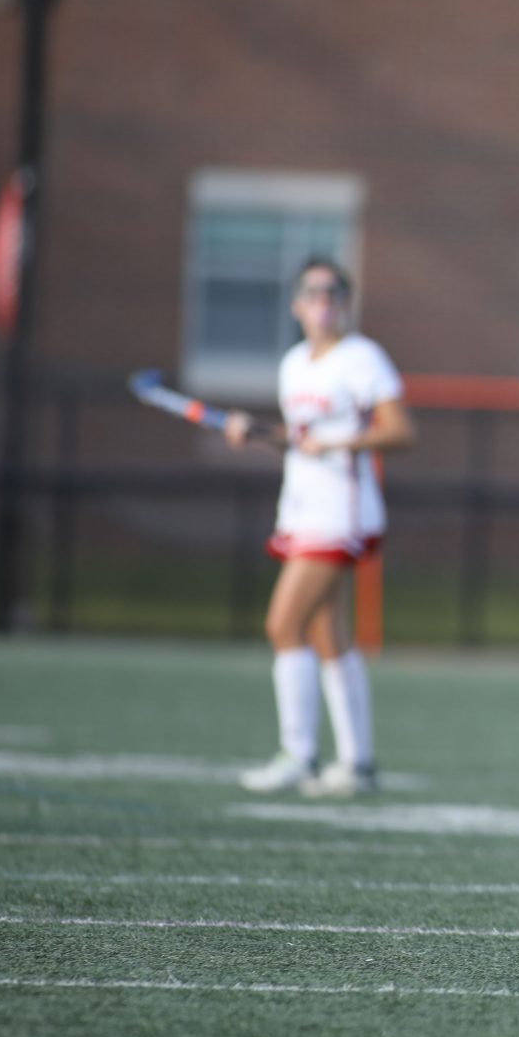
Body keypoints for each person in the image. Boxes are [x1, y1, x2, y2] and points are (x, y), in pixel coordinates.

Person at [224, 257, 415, 798]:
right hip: (302, 509)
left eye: (333, 292)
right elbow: (302, 433)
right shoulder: (294, 364)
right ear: (296, 304)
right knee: (326, 634)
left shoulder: (362, 358)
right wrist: (257, 431)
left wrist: (338, 443)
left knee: (284, 624)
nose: (323, 301)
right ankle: (357, 764)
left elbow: (400, 430)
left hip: (341, 512)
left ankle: (299, 755)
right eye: (312, 292)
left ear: (346, 303)